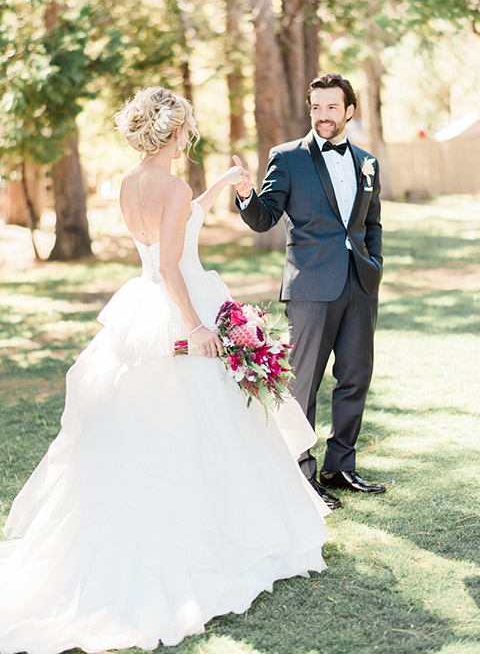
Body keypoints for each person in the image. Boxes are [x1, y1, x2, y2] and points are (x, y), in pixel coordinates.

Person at [0, 86, 330, 654]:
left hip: (143, 302)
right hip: (181, 306)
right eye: (187, 132)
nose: (188, 140)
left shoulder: (133, 183)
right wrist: (195, 325)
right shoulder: (173, 186)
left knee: (159, 423)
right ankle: (209, 533)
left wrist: (223, 187)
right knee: (204, 422)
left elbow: (175, 228)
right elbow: (175, 262)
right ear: (175, 132)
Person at [236, 73, 386, 511]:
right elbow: (265, 218)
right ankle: (300, 472)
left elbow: (371, 223)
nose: (323, 115)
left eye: (332, 107)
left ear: (349, 111)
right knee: (303, 384)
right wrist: (247, 192)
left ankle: (340, 466)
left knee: (355, 377)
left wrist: (373, 264)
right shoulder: (286, 158)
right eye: (316, 107)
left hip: (359, 283)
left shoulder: (366, 161)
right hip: (310, 288)